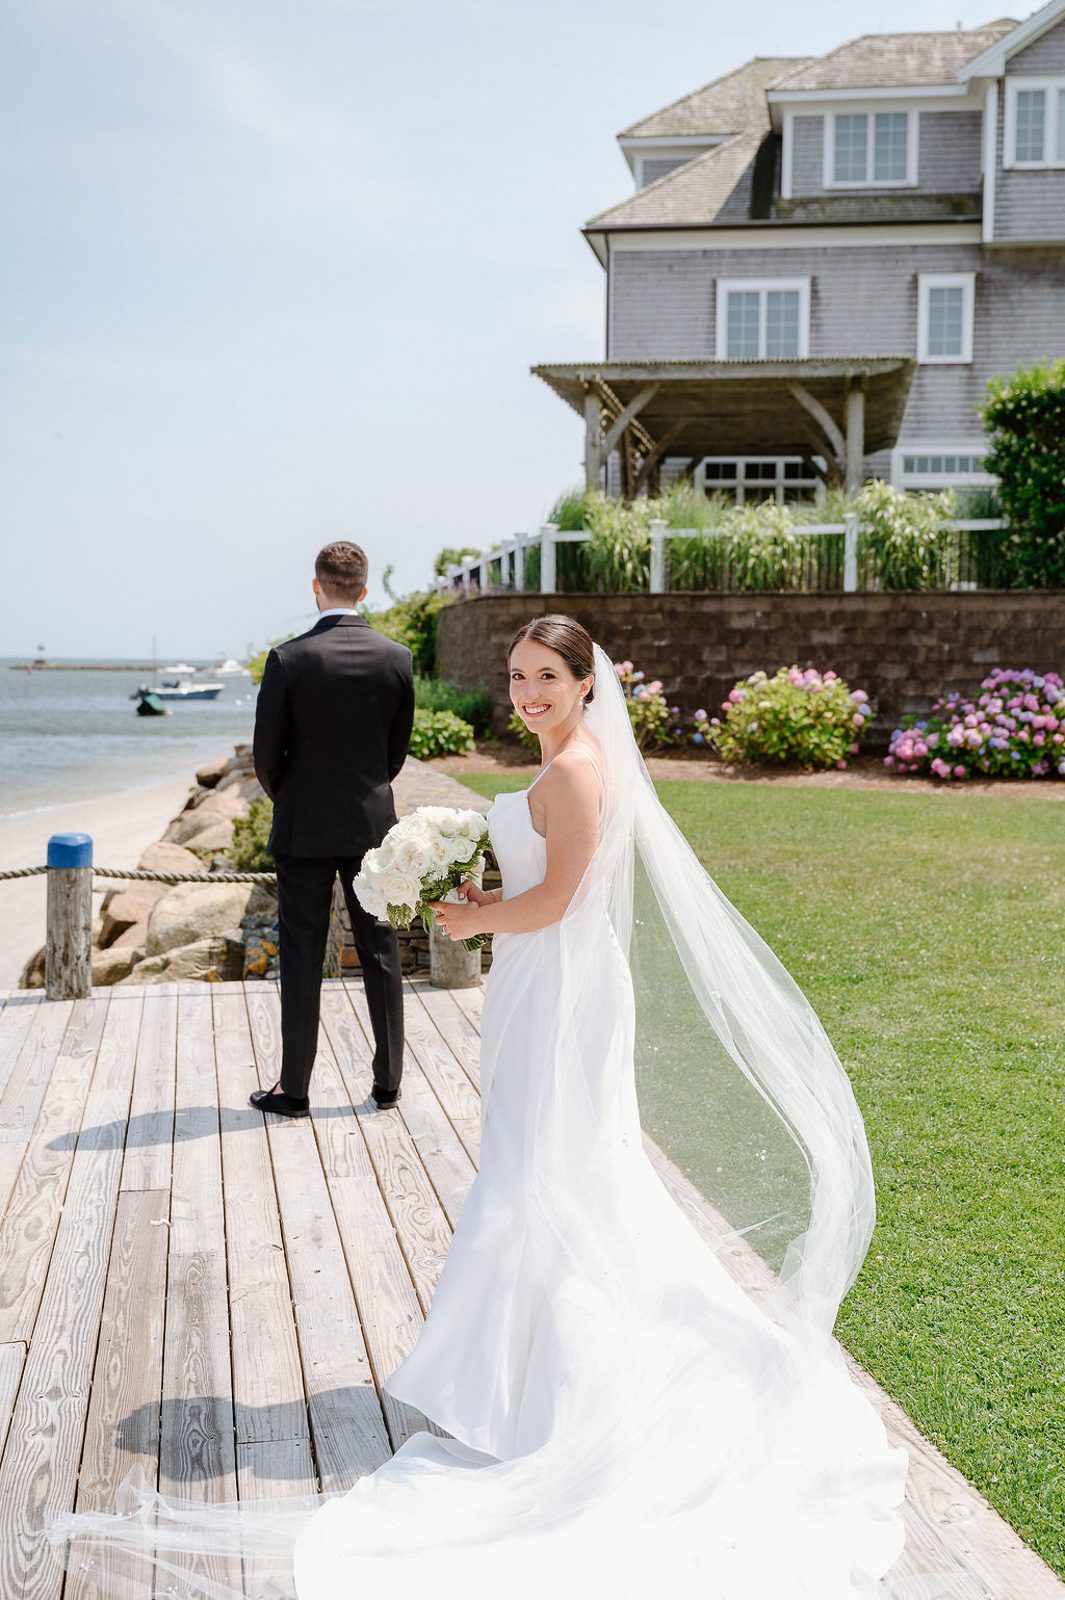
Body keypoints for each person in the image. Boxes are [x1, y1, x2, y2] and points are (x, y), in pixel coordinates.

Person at [48, 614, 961, 1598]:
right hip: (543, 984)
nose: (527, 693)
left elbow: (561, 899)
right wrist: (476, 887)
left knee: (549, 1174)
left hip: (562, 987)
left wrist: (475, 915)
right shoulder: (564, 763)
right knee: (550, 1170)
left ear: (584, 685)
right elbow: (544, 885)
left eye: (545, 679)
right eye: (519, 677)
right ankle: (536, 1372)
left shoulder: (572, 773)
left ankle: (560, 1392)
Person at [249, 539, 414, 1116]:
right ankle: (388, 1083)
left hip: (303, 828)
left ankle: (294, 1090)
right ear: (364, 591)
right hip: (372, 826)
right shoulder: (397, 658)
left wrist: (293, 797)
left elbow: (265, 757)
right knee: (382, 951)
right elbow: (395, 754)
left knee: (300, 955)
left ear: (316, 587)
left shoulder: (288, 659)